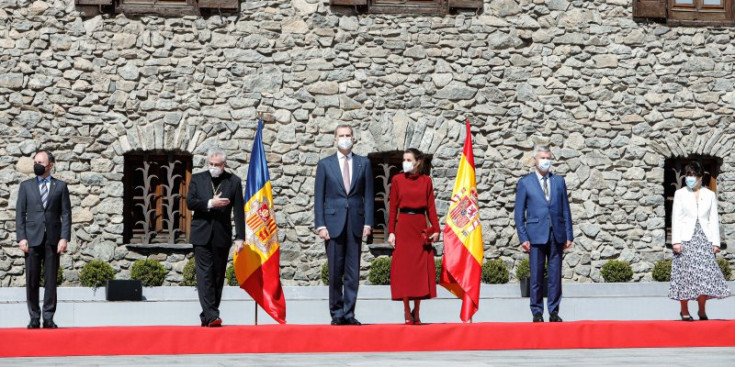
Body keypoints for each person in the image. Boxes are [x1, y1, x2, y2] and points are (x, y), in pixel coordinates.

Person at [314, 124, 374, 326]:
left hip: (356, 222)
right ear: (335, 139)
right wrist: (320, 224)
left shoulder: (363, 163)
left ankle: (349, 312)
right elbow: (319, 197)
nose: (345, 138)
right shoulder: (325, 165)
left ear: (354, 138)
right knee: (335, 270)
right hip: (332, 224)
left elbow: (369, 196)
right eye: (341, 135)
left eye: (348, 135)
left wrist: (368, 222)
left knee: (352, 271)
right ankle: (336, 313)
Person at [186, 147, 245, 327]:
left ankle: (208, 315)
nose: (213, 167)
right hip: (201, 234)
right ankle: (213, 315)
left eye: (217, 165)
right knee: (204, 276)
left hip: (222, 234)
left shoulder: (233, 181)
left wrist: (240, 237)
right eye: (211, 164)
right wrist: (210, 203)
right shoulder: (197, 179)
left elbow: (239, 211)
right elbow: (190, 202)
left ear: (224, 164)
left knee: (218, 277)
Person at [514, 145, 573, 323]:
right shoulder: (525, 183)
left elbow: (565, 209)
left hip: (556, 234)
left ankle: (554, 311)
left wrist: (569, 234)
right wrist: (523, 237)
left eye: (548, 157)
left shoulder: (559, 181)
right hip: (535, 235)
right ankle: (537, 311)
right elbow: (519, 214)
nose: (546, 161)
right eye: (542, 158)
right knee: (537, 275)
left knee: (555, 276)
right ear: (535, 160)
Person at [15, 149, 71, 329]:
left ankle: (48, 317)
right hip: (31, 239)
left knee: (51, 280)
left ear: (50, 165)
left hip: (53, 240)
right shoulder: (26, 186)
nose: (37, 165)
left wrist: (64, 238)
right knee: (32, 280)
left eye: (41, 162)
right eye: (35, 162)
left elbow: (66, 214)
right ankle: (33, 317)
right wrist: (21, 237)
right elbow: (19, 214)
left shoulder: (60, 187)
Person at [669, 162, 730, 321]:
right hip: (685, 239)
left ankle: (701, 310)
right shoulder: (680, 194)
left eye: (694, 176)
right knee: (685, 276)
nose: (690, 178)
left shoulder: (709, 194)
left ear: (701, 177)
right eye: (688, 175)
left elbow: (713, 219)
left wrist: (715, 242)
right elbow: (676, 218)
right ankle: (684, 310)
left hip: (704, 238)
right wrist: (675, 241)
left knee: (704, 276)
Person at [387, 148, 440, 325]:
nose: (405, 162)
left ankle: (416, 310)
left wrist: (437, 229)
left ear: (417, 162)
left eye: (409, 159)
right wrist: (391, 232)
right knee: (404, 270)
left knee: (417, 271)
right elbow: (392, 207)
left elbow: (431, 207)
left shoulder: (426, 181)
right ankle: (405, 309)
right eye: (404, 159)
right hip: (403, 226)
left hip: (419, 227)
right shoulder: (397, 180)